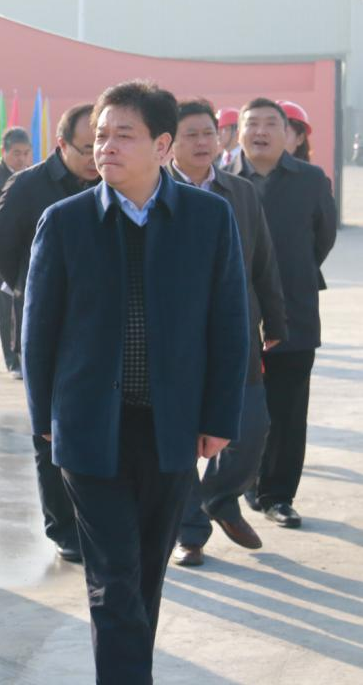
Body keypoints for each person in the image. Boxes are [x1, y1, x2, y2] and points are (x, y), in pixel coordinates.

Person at [23, 80, 248, 684]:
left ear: (163, 145)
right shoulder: (64, 221)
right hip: (89, 427)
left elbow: (229, 324)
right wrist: (45, 419)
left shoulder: (208, 218)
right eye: (100, 136)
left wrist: (219, 418)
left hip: (171, 428)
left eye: (124, 135)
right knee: (113, 575)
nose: (107, 147)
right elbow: (38, 331)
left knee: (146, 571)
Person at [168, 100, 287, 566]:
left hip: (236, 331)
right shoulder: (155, 192)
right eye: (191, 134)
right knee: (180, 440)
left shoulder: (240, 192)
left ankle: (218, 496)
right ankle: (190, 533)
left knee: (252, 428)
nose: (203, 142)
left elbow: (264, 262)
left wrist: (275, 320)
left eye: (209, 133)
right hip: (177, 340)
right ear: (169, 142)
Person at [0, 103, 98, 563]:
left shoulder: (113, 182)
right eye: (87, 148)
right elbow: (0, 246)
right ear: (61, 144)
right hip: (47, 328)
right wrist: (32, 290)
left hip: (101, 327)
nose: (96, 157)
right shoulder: (29, 186)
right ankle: (63, 528)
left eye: (102, 145)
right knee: (49, 431)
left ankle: (96, 520)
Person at [237, 98, 337, 528]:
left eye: (270, 124)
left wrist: (293, 273)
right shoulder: (222, 180)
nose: (260, 131)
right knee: (241, 406)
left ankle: (278, 495)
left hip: (295, 309)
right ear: (239, 133)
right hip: (237, 313)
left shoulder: (311, 180)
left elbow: (323, 238)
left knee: (290, 409)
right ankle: (243, 482)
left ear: (287, 134)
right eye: (252, 124)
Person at [0, 127, 32, 377]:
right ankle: (12, 362)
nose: (21, 159)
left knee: (25, 308)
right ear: (3, 152)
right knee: (5, 310)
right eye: (16, 153)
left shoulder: (31, 176)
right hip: (1, 256)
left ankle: (26, 356)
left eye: (25, 153)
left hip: (26, 255)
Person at [215, 107, 243, 174]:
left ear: (236, 131)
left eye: (223, 129)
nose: (218, 133)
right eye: (216, 129)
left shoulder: (247, 162)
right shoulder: (213, 162)